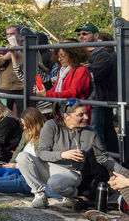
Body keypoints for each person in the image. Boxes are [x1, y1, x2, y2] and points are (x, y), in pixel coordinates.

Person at [17, 101, 129, 210]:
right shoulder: (51, 125)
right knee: (22, 157)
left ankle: (71, 194)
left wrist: (126, 173)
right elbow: (41, 153)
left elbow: (103, 158)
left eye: (85, 113)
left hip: (71, 173)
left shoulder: (90, 132)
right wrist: (63, 154)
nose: (86, 117)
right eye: (81, 114)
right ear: (66, 116)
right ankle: (40, 195)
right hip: (48, 167)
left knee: (54, 183)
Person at [78, 23, 119, 153]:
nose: (81, 36)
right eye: (79, 34)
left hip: (97, 100)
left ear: (96, 35)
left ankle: (100, 164)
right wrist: (85, 68)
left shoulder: (103, 54)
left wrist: (84, 69)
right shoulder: (79, 53)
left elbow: (94, 75)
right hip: (82, 99)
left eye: (85, 33)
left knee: (96, 133)